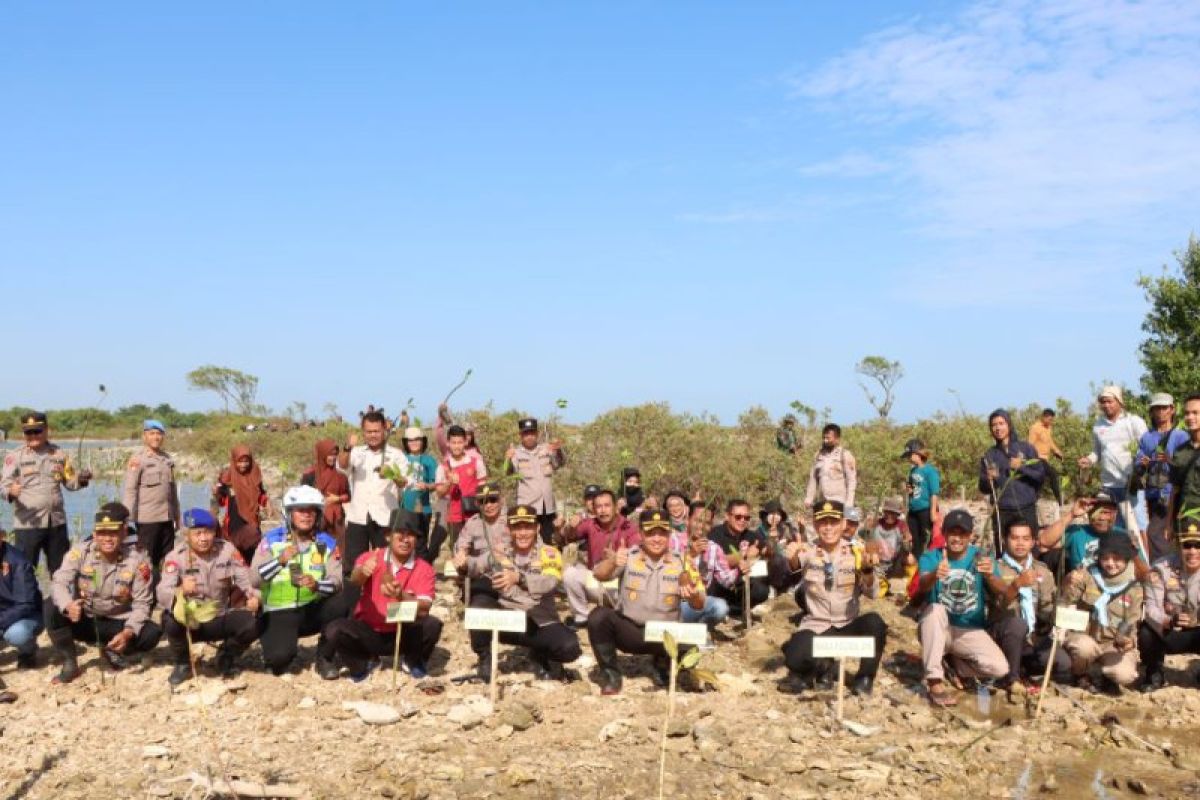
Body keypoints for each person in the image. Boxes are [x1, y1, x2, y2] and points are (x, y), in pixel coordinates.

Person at [586, 510, 706, 695]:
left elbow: (699, 605)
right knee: (598, 617)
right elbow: (599, 575)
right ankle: (610, 674)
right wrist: (612, 561)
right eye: (651, 533)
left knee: (693, 650)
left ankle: (662, 663)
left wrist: (692, 595)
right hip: (631, 631)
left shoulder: (683, 561)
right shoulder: (629, 556)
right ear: (641, 534)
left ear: (669, 534)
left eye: (662, 533)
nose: (657, 539)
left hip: (666, 635)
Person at [461, 504, 580, 681]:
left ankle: (540, 653)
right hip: (508, 619)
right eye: (517, 527)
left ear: (537, 528)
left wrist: (520, 578)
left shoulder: (549, 553)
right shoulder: (501, 552)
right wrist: (463, 563)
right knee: (480, 600)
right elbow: (475, 566)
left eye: (527, 527)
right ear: (509, 530)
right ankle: (485, 659)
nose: (522, 533)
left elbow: (549, 582)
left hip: (538, 620)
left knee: (569, 647)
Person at [321, 509, 442, 681]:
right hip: (370, 631)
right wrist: (363, 572)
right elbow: (355, 580)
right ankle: (363, 662)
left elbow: (424, 608)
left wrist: (401, 596)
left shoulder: (424, 568)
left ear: (417, 540)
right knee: (335, 630)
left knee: (432, 625)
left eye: (411, 535)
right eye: (399, 533)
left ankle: (413, 661)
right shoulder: (371, 557)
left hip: (402, 631)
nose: (405, 539)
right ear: (388, 536)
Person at [47, 503, 162, 684]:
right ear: (94, 535)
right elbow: (58, 581)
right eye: (102, 533)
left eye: (113, 533)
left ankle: (115, 650)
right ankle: (70, 662)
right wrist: (68, 605)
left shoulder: (138, 559)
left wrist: (128, 632)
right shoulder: (80, 553)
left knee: (152, 633)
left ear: (123, 533)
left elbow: (142, 604)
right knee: (51, 607)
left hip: (119, 622)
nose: (107, 539)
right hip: (87, 619)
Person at [781, 501, 886, 696]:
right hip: (817, 626)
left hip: (847, 625)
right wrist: (790, 557)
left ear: (844, 523)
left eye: (834, 522)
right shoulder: (807, 551)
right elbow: (789, 572)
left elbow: (872, 594)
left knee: (875, 623)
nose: (828, 528)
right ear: (814, 524)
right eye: (823, 522)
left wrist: (867, 569)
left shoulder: (857, 551)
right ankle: (823, 666)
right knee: (794, 658)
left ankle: (864, 678)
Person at [914, 509, 1009, 707]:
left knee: (1000, 668)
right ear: (945, 534)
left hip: (969, 629)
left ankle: (955, 665)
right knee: (935, 610)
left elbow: (1003, 590)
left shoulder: (981, 557)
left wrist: (990, 575)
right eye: (952, 533)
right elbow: (922, 586)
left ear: (970, 535)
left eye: (962, 534)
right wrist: (934, 575)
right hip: (939, 628)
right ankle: (934, 681)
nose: (957, 539)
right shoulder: (931, 557)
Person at [158, 508, 261, 685]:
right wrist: (180, 590)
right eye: (198, 533)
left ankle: (226, 655)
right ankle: (183, 663)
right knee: (169, 619)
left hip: (219, 615)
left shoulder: (227, 550)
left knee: (256, 621)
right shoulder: (176, 557)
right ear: (186, 535)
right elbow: (162, 592)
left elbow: (246, 579)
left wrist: (254, 597)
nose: (204, 538)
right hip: (191, 620)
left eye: (208, 532)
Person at [251, 486, 344, 676]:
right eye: (301, 510)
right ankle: (275, 644)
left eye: (312, 511)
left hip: (310, 609)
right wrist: (279, 561)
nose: (306, 515)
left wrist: (317, 585)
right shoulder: (271, 540)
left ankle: (325, 657)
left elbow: (337, 581)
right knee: (279, 661)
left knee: (344, 600)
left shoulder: (326, 542)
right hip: (279, 612)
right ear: (289, 513)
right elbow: (253, 579)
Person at [1, 411, 92, 577]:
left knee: (61, 571)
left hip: (56, 522)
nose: (33, 435)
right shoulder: (15, 457)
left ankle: (58, 603)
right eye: (28, 432)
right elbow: (3, 486)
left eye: (37, 431)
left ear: (46, 430)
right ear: (23, 433)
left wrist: (82, 479)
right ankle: (27, 603)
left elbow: (70, 481)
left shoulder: (59, 454)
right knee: (23, 572)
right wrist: (10, 492)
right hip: (28, 524)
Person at [989, 521, 1070, 690]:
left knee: (1063, 663)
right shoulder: (994, 569)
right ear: (1005, 540)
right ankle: (1012, 679)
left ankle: (1024, 668)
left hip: (1033, 639)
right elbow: (999, 605)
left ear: (1033, 542)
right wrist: (1016, 585)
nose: (1020, 543)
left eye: (1026, 538)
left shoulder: (1043, 571)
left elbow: (1047, 607)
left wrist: (1057, 610)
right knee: (1017, 625)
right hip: (1004, 636)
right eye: (1014, 538)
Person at [1059, 534, 1144, 694]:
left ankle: (1108, 677)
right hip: (1084, 636)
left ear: (1127, 559)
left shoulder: (1135, 588)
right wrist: (1068, 585)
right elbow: (1065, 604)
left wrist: (1128, 642)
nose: (1110, 564)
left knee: (1124, 675)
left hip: (1112, 644)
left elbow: (1132, 623)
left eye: (1117, 559)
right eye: (1105, 558)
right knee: (1085, 648)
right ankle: (1080, 675)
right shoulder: (1086, 575)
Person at [338, 411, 409, 574]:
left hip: (384, 517)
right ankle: (355, 598)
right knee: (354, 565)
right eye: (369, 432)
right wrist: (348, 447)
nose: (373, 435)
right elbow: (342, 465)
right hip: (358, 516)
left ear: (384, 429)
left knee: (385, 564)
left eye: (376, 431)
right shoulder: (356, 453)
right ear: (363, 432)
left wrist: (392, 474)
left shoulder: (396, 455)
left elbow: (405, 482)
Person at [558, 489, 640, 629]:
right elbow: (567, 538)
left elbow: (638, 554)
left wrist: (616, 559)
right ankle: (581, 617)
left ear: (615, 507)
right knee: (570, 573)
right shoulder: (590, 524)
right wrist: (569, 527)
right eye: (599, 507)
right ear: (594, 509)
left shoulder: (629, 527)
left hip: (620, 584)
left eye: (607, 506)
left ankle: (624, 618)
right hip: (596, 579)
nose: (603, 510)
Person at [1138, 521, 1200, 692]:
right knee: (1146, 631)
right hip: (1171, 630)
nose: (1193, 551)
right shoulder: (1160, 569)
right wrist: (1169, 621)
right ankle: (1154, 672)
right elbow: (1151, 609)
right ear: (1177, 546)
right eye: (1187, 545)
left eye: (1198, 545)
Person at [122, 419, 181, 591]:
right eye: (152, 434)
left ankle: (164, 592)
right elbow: (130, 490)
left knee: (167, 558)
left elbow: (172, 490)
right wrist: (126, 518)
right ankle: (144, 594)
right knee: (146, 559)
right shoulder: (138, 460)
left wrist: (177, 515)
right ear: (144, 436)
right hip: (147, 518)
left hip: (166, 517)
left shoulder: (166, 459)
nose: (156, 437)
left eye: (159, 434)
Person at [1078, 385, 1148, 529]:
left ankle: (1142, 552)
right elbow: (1097, 452)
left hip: (1131, 483)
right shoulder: (1098, 425)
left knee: (1138, 526)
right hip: (1109, 485)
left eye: (1110, 401)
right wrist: (1089, 460)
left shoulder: (1133, 421)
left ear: (1119, 401)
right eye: (1103, 402)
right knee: (1114, 527)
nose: (1106, 405)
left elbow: (1147, 447)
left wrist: (1141, 464)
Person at [1133, 394, 1189, 563]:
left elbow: (1188, 463)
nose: (1160, 412)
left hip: (1173, 493)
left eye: (1164, 408)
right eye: (1156, 408)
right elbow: (1139, 461)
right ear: (1151, 412)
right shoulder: (1147, 437)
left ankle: (1162, 568)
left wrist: (1169, 460)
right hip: (1152, 493)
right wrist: (1142, 463)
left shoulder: (1181, 436)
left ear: (1172, 410)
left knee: (1156, 533)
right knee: (1163, 532)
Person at [1039, 494, 1148, 577]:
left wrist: (1133, 553)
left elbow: (1144, 573)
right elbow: (1044, 542)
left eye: (1106, 512)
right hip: (1083, 589)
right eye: (1097, 512)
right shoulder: (1077, 532)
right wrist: (1072, 514)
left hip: (1115, 590)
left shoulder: (1124, 535)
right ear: (1089, 513)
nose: (1102, 518)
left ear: (1115, 513)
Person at [980, 409, 1045, 531]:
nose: (997, 428)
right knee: (1002, 548)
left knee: (1029, 546)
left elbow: (1040, 476)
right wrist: (988, 480)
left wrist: (1021, 468)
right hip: (1001, 511)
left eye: (1001, 423)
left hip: (1026, 508)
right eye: (994, 425)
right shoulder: (989, 455)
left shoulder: (1026, 448)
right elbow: (983, 488)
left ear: (1009, 425)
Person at [504, 418, 566, 544]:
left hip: (547, 507)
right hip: (527, 507)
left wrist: (558, 450)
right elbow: (507, 472)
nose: (529, 437)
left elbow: (559, 463)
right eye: (526, 434)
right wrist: (507, 459)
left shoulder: (545, 449)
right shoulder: (516, 453)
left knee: (549, 542)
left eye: (532, 433)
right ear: (520, 435)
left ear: (537, 434)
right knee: (528, 541)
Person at [706, 499, 769, 616]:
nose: (742, 521)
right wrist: (744, 555)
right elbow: (718, 561)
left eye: (746, 518)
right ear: (727, 516)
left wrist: (772, 541)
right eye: (738, 517)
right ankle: (724, 608)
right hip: (719, 584)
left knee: (762, 590)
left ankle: (737, 609)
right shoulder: (715, 534)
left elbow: (767, 552)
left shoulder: (750, 535)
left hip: (740, 582)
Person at [0, 527, 43, 698]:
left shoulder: (18, 561)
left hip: (25, 616)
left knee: (18, 634)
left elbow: (25, 603)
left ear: (2, 537)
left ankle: (28, 652)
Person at [452, 481, 511, 600]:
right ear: (476, 503)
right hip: (483, 577)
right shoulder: (473, 523)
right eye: (482, 501)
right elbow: (461, 547)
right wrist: (461, 554)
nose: (488, 505)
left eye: (493, 500)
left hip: (510, 575)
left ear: (502, 500)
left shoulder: (512, 521)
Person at [681, 504, 734, 629]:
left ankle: (700, 631)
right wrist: (690, 555)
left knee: (721, 607)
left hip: (697, 601)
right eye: (698, 520)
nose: (701, 526)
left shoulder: (714, 548)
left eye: (707, 523)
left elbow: (727, 580)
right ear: (687, 520)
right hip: (672, 603)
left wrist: (742, 568)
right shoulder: (672, 540)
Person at [214, 444, 268, 564]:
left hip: (251, 522)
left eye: (246, 461)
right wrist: (217, 493)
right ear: (234, 461)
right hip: (234, 524)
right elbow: (221, 502)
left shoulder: (254, 475)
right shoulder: (227, 478)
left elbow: (261, 495)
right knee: (235, 558)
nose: (243, 465)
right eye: (240, 461)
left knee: (253, 556)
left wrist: (268, 504)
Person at [435, 424, 488, 546]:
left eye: (459, 442)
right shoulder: (442, 467)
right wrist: (449, 482)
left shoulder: (477, 463)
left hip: (474, 515)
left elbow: (484, 488)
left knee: (477, 548)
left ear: (465, 442)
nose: (456, 446)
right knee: (458, 549)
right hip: (454, 517)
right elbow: (439, 493)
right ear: (448, 443)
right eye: (453, 443)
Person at [398, 427, 442, 561]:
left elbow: (437, 484)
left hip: (423, 509)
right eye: (410, 440)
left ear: (423, 441)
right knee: (403, 543)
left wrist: (427, 486)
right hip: (403, 508)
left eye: (417, 439)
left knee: (420, 543)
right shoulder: (401, 459)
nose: (414, 443)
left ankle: (422, 573)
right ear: (406, 442)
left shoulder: (429, 460)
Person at [301, 439, 350, 547]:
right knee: (315, 555)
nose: (332, 458)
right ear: (322, 454)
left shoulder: (341, 476)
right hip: (316, 520)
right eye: (329, 455)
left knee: (341, 553)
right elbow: (302, 498)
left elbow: (348, 496)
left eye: (334, 455)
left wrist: (337, 499)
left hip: (337, 520)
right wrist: (319, 500)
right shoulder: (310, 474)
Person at [903, 438, 941, 560]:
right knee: (915, 539)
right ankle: (917, 564)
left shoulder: (930, 471)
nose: (908, 458)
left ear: (917, 453)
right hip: (914, 509)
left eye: (910, 455)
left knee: (926, 538)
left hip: (926, 509)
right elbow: (912, 489)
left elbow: (934, 492)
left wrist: (933, 512)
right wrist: (909, 490)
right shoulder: (913, 471)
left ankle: (927, 563)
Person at [803, 423, 857, 508]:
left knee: (851, 520)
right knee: (819, 521)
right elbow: (813, 479)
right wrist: (809, 498)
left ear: (837, 439)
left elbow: (851, 481)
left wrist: (849, 502)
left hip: (842, 502)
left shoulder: (845, 455)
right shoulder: (818, 455)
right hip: (823, 503)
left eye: (828, 438)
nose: (825, 441)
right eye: (824, 438)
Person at [864, 497, 909, 596]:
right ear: (884, 512)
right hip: (876, 563)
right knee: (874, 591)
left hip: (892, 564)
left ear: (898, 514)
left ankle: (892, 579)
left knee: (910, 559)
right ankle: (876, 579)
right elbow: (865, 538)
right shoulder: (876, 523)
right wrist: (867, 528)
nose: (890, 515)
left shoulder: (902, 526)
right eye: (888, 512)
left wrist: (906, 541)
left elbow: (908, 545)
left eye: (894, 513)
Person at [1169, 394, 1200, 531]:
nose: (1190, 417)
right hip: (1185, 519)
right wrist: (1169, 523)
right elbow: (1174, 490)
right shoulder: (1180, 452)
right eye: (1187, 413)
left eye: (1195, 413)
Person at [1027, 408, 1065, 505]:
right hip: (1037, 458)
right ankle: (1059, 501)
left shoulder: (1048, 428)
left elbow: (1050, 442)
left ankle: (1032, 499)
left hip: (1045, 458)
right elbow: (1030, 445)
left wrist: (1057, 452)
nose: (1051, 422)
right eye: (1049, 419)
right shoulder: (1035, 428)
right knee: (1053, 474)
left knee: (1041, 479)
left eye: (1052, 420)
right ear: (1044, 417)